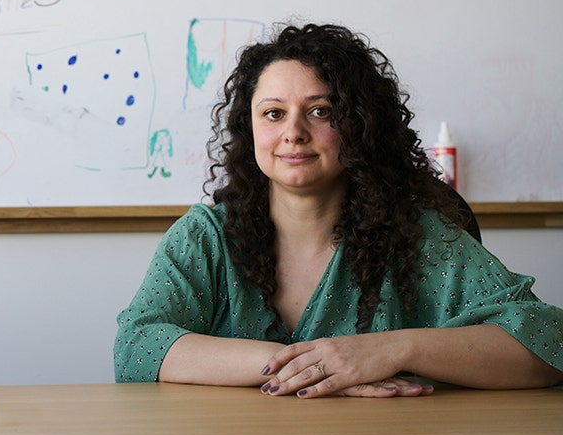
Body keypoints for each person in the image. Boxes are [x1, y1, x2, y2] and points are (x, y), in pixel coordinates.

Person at [115, 23, 563, 398]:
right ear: (248, 128)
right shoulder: (204, 239)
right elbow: (137, 347)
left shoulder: (420, 237)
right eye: (273, 113)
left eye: (321, 111)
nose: (293, 132)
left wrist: (390, 351)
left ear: (359, 125)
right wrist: (318, 367)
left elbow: (547, 344)